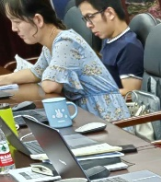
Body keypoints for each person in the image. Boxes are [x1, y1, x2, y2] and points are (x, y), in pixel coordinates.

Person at [0, 0, 129, 121]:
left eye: (17, 22)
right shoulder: (50, 45)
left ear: (38, 20)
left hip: (107, 118)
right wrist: (3, 80)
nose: (13, 28)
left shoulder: (66, 42)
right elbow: (35, 72)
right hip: (85, 115)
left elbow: (50, 85)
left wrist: (46, 75)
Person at [77, 0, 143, 95]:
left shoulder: (129, 47)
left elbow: (130, 93)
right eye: (86, 19)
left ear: (110, 13)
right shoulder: (108, 39)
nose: (88, 25)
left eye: (90, 16)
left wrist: (92, 92)